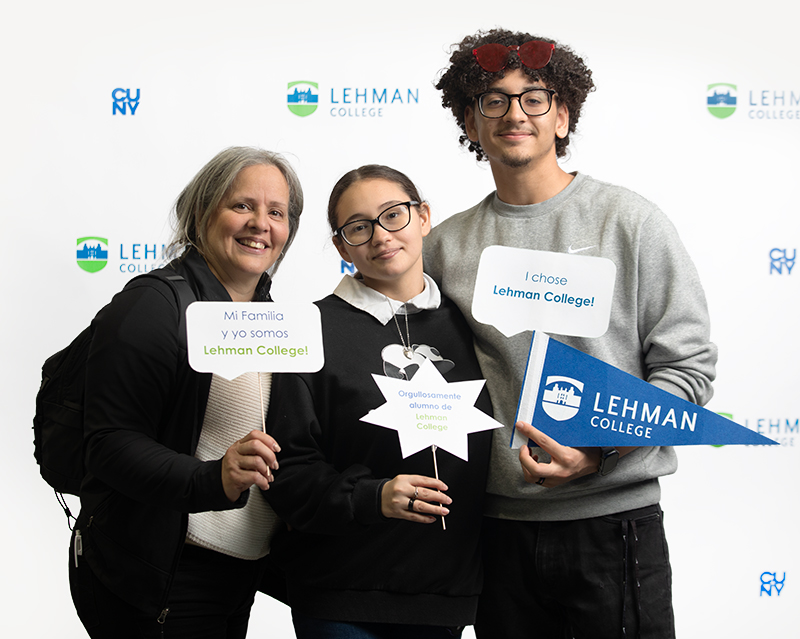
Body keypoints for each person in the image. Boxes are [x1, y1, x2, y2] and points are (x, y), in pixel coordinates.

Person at [424, 29, 718, 639]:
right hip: (496, 533)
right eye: (493, 101)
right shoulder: (445, 247)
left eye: (533, 98)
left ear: (562, 116)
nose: (514, 114)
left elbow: (687, 369)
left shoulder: (629, 222)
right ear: (469, 123)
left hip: (614, 527)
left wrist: (600, 452)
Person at [68, 146, 303, 638]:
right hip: (161, 577)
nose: (260, 223)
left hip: (239, 574)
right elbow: (109, 445)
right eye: (242, 206)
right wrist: (212, 478)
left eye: (276, 212)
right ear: (201, 212)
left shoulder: (276, 321)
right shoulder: (154, 305)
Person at [263, 165, 493, 638]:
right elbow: (287, 469)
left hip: (445, 596)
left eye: (394, 215)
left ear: (424, 217)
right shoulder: (310, 330)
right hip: (341, 592)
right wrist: (374, 496)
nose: (381, 236)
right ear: (341, 246)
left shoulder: (475, 323)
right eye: (359, 227)